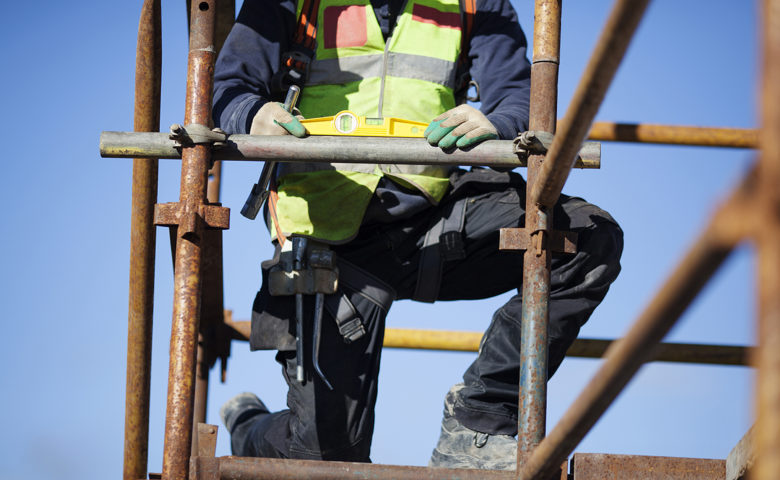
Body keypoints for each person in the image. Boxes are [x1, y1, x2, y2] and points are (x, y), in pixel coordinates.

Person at [212, 0, 623, 470]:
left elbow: (517, 98)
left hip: (432, 219)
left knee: (586, 237)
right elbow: (227, 90)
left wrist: (501, 122)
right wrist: (251, 113)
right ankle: (249, 426)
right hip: (328, 240)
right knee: (326, 459)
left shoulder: (474, 2)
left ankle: (480, 420)